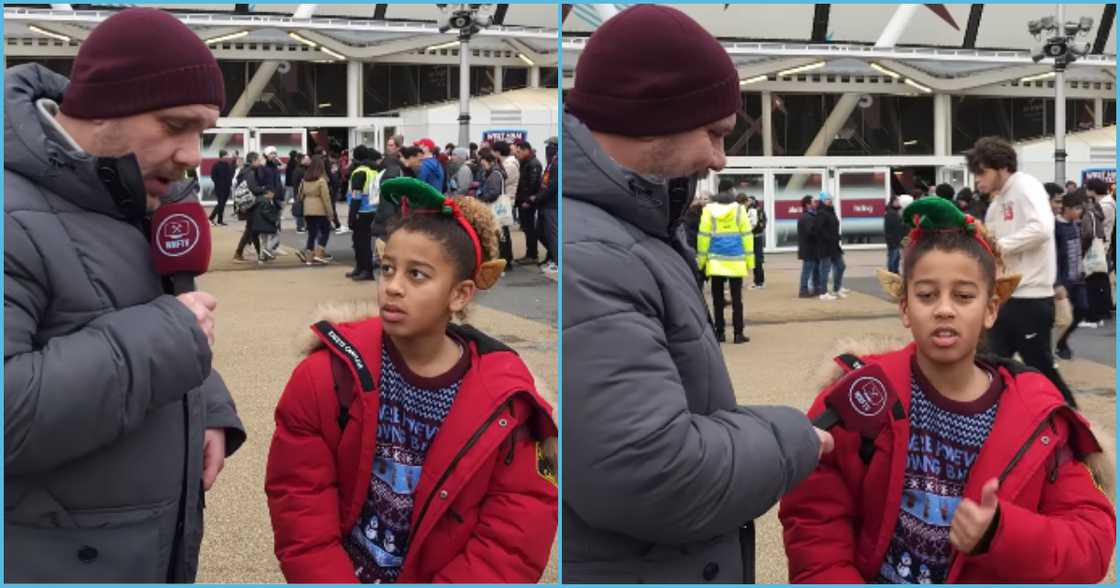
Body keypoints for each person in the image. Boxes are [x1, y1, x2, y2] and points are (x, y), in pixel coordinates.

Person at [562, 5, 828, 582]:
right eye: (713, 133)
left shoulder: (640, 228)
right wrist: (795, 437)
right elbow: (652, 474)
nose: (719, 158)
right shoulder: (600, 253)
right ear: (657, 114)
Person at [3, 8, 246, 581]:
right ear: (104, 107)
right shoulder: (11, 217)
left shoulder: (146, 197)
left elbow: (155, 319)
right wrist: (170, 336)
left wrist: (206, 402)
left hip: (138, 543)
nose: (193, 154)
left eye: (202, 132)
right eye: (173, 125)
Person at [779, 196, 1115, 584]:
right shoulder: (861, 396)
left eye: (964, 296)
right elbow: (815, 516)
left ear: (991, 309)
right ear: (905, 308)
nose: (944, 309)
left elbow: (1091, 543)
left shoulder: (1036, 418)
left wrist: (1002, 534)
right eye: (926, 295)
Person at [266, 178, 557, 583]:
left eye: (417, 275)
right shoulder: (328, 376)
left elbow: (512, 536)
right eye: (387, 268)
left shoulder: (506, 404)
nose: (393, 287)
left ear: (460, 294)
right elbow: (299, 501)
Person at [972, 136, 1077, 407]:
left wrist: (1000, 246)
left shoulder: (1025, 185)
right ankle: (992, 419)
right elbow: (990, 246)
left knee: (1039, 364)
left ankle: (1074, 419)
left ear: (1001, 166)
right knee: (989, 363)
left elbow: (1042, 228)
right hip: (1004, 296)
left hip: (1031, 296)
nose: (977, 180)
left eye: (981, 172)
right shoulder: (996, 204)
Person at [698, 179, 754, 343]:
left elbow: (703, 237)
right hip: (736, 259)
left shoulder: (708, 209)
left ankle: (720, 332)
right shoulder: (739, 209)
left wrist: (702, 261)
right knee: (737, 299)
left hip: (715, 260)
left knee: (717, 299)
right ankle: (738, 333)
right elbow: (746, 235)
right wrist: (750, 262)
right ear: (730, 191)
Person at [1054, 190, 1089, 359]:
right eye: (1076, 208)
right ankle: (1059, 345)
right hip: (1063, 281)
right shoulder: (1056, 228)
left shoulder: (1075, 224)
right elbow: (1053, 257)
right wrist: (1057, 282)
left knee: (1082, 309)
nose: (1079, 212)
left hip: (1078, 278)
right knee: (1062, 318)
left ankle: (1061, 341)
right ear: (1065, 209)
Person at [475, 149, 514, 269]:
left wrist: (481, 197)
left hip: (496, 208)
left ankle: (504, 261)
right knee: (502, 235)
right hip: (499, 209)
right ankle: (506, 260)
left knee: (500, 236)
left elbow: (494, 193)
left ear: (490, 162)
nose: (483, 166)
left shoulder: (494, 174)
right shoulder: (496, 172)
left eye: (484, 164)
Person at [346, 145, 381, 282]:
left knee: (360, 242)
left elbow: (356, 195)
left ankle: (365, 269)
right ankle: (362, 268)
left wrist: (351, 215)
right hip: (372, 209)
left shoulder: (359, 172)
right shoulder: (373, 170)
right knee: (363, 241)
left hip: (361, 210)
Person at [296, 155, 338, 265]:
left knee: (312, 233)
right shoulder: (321, 181)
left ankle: (309, 257)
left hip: (307, 210)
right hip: (320, 210)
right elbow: (326, 198)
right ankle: (319, 252)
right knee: (325, 230)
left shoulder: (304, 180)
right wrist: (330, 213)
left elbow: (299, 196)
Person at [234, 151, 275, 262]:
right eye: (257, 160)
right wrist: (265, 189)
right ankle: (243, 253)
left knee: (251, 229)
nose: (259, 162)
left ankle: (251, 254)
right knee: (252, 229)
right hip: (250, 204)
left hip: (245, 204)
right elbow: (253, 188)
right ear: (253, 161)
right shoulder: (250, 172)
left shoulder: (245, 171)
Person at [1082, 178, 1113, 323]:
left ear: (1093, 190)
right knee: (1102, 278)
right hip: (1103, 244)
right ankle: (1104, 309)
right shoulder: (1108, 203)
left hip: (1100, 245)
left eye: (1088, 188)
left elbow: (1097, 227)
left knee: (1097, 278)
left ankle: (1101, 310)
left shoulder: (1104, 205)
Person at [514, 140, 543, 265]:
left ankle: (532, 254)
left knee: (529, 228)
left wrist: (527, 201)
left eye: (519, 151)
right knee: (526, 228)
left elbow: (533, 184)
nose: (517, 154)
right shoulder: (526, 162)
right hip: (523, 200)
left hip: (528, 202)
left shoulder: (533, 164)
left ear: (526, 149)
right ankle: (529, 253)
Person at [534, 136, 560, 274]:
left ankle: (558, 262)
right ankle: (552, 256)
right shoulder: (551, 164)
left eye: (550, 147)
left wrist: (538, 198)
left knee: (553, 234)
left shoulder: (557, 164)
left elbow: (552, 186)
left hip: (552, 204)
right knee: (541, 232)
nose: (547, 150)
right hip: (545, 203)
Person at [815, 194, 848, 300]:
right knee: (825, 269)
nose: (830, 201)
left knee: (841, 266)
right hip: (825, 246)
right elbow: (819, 229)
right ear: (822, 200)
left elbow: (834, 226)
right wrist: (829, 238)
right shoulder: (821, 213)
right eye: (827, 199)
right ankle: (823, 293)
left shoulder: (831, 211)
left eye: (830, 199)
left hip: (834, 245)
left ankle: (837, 288)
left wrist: (837, 237)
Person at [797, 195, 821, 298]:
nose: (816, 203)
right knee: (807, 271)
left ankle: (816, 289)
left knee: (815, 270)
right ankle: (803, 290)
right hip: (808, 249)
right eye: (813, 202)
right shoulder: (807, 217)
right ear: (807, 205)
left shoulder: (811, 216)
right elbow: (811, 233)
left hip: (813, 249)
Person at [746, 195, 767, 288]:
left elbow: (757, 223)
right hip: (754, 237)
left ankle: (759, 281)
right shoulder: (753, 210)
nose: (748, 202)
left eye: (749, 201)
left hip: (755, 237)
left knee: (757, 260)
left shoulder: (755, 210)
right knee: (755, 259)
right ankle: (757, 280)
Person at [209, 149, 234, 225]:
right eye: (226, 155)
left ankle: (211, 218)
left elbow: (230, 175)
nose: (228, 157)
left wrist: (230, 184)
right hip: (219, 188)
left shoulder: (228, 165)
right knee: (221, 204)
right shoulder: (216, 165)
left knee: (221, 204)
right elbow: (213, 176)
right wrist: (218, 183)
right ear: (222, 156)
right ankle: (219, 220)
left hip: (227, 188)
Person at [884, 194, 905, 274]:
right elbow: (892, 229)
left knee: (895, 258)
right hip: (894, 240)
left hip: (896, 240)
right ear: (892, 202)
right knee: (894, 258)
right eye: (897, 201)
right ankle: (892, 274)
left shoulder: (895, 212)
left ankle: (893, 273)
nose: (899, 202)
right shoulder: (891, 214)